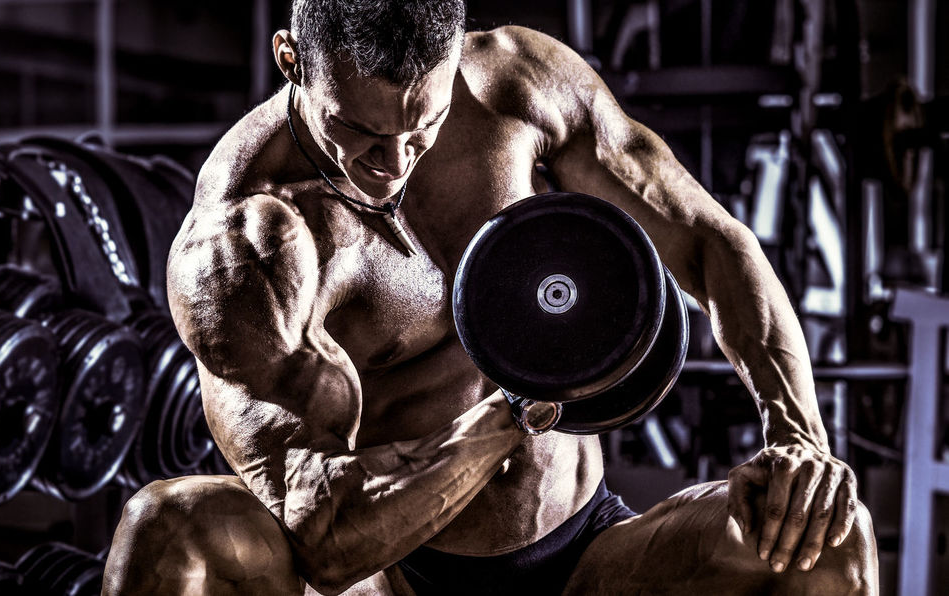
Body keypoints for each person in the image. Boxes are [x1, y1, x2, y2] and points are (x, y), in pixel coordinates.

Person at [103, 1, 878, 594]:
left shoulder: (514, 86)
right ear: (291, 60)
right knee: (170, 529)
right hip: (396, 576)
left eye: (424, 125)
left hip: (587, 555)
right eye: (359, 131)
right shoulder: (250, 241)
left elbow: (710, 242)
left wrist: (799, 439)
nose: (393, 163)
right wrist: (513, 414)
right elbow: (324, 538)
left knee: (827, 535)